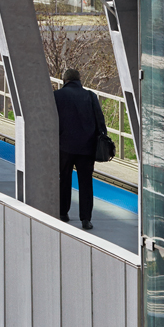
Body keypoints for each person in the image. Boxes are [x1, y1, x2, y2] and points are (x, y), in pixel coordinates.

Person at [53, 68, 106, 230]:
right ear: (79, 80)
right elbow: (100, 121)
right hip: (87, 147)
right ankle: (86, 219)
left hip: (65, 146)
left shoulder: (57, 96)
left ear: (65, 80)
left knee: (64, 179)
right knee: (86, 183)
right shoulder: (90, 96)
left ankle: (63, 213)